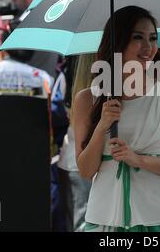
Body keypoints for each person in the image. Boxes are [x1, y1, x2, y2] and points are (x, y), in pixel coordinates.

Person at [73, 6, 160, 232]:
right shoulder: (86, 99)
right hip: (104, 219)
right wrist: (102, 126)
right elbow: (85, 170)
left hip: (157, 218)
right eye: (137, 38)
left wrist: (138, 160)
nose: (148, 47)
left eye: (153, 38)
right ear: (117, 41)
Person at [57, 54, 95, 232]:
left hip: (71, 159)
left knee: (78, 223)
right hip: (80, 164)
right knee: (83, 224)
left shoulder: (66, 74)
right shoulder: (99, 85)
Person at [0, 0, 59, 78]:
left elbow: (24, 53)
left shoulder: (42, 16)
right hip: (23, 80)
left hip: (40, 79)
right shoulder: (8, 15)